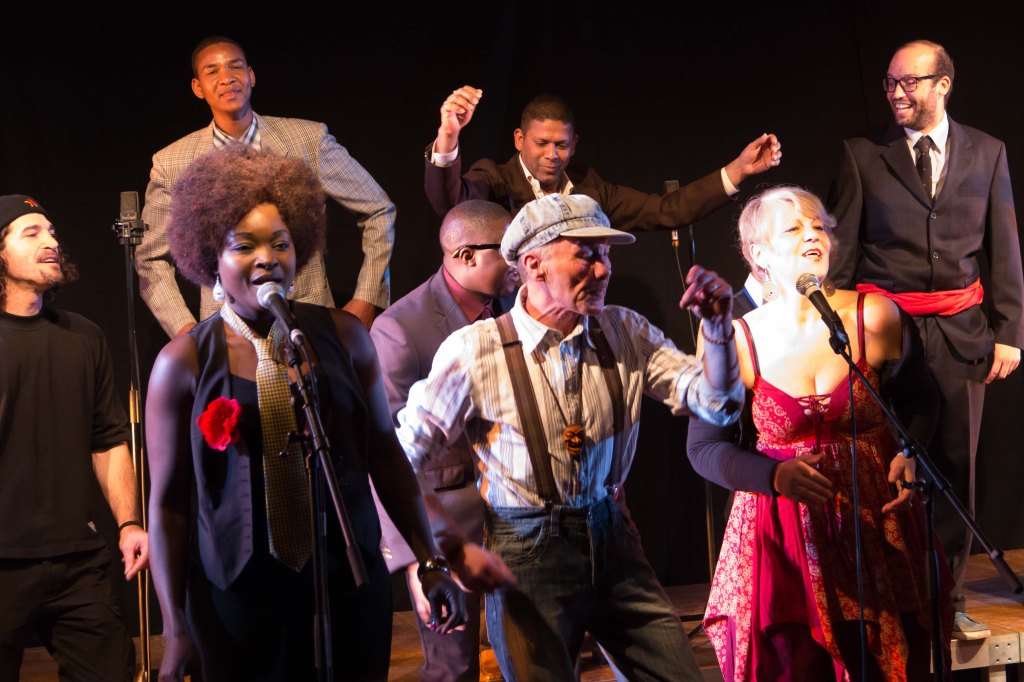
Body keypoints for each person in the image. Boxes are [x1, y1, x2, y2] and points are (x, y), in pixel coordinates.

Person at [145, 147, 511, 681]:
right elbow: (168, 506)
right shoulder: (183, 363)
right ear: (211, 257)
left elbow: (386, 457)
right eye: (244, 245)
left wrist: (429, 561)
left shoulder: (345, 336)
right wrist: (175, 628)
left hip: (346, 585)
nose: (267, 258)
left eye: (281, 243)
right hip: (235, 602)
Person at [398, 193, 745, 681]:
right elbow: (401, 460)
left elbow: (716, 404)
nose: (603, 269)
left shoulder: (624, 330)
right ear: (533, 264)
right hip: (526, 550)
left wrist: (718, 331)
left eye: (606, 254)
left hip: (613, 535)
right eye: (585, 254)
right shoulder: (475, 350)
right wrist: (444, 549)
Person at [696, 186, 951, 681]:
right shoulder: (737, 339)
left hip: (873, 521)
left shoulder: (874, 315)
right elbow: (704, 448)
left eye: (819, 227)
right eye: (794, 229)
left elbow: (923, 402)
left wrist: (909, 451)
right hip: (783, 534)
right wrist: (773, 476)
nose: (812, 236)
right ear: (758, 254)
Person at [827, 39, 1024, 639]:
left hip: (962, 335)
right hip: (887, 334)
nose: (896, 93)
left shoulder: (987, 152)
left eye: (908, 83)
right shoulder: (863, 155)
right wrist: (834, 331)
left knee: (954, 470)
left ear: (943, 85)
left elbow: (1004, 244)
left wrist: (1010, 331)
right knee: (884, 470)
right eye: (890, 83)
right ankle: (889, 604)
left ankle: (947, 600)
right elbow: (841, 254)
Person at [138, 35, 395, 337]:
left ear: (251, 76)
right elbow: (149, 258)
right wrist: (187, 331)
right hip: (227, 334)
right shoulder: (172, 163)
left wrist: (367, 297)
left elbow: (379, 209)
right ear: (198, 87)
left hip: (309, 323)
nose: (227, 78)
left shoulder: (307, 141)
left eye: (235, 67)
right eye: (213, 71)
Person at [0, 195, 147, 681]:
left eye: (52, 232)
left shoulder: (83, 336)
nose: (51, 242)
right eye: (31, 233)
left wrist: (129, 523)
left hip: (75, 560)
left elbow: (108, 439)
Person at [370, 200, 518, 681]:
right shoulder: (400, 328)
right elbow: (388, 454)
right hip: (447, 528)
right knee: (454, 669)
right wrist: (418, 560)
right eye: (509, 250)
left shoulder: (518, 309)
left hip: (524, 521)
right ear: (466, 255)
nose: (521, 260)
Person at [424, 90, 782, 228]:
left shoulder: (590, 188)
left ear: (574, 144)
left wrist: (738, 169)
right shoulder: (496, 179)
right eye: (541, 143)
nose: (552, 155)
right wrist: (449, 136)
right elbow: (451, 204)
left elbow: (666, 210)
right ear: (520, 139)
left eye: (561, 145)